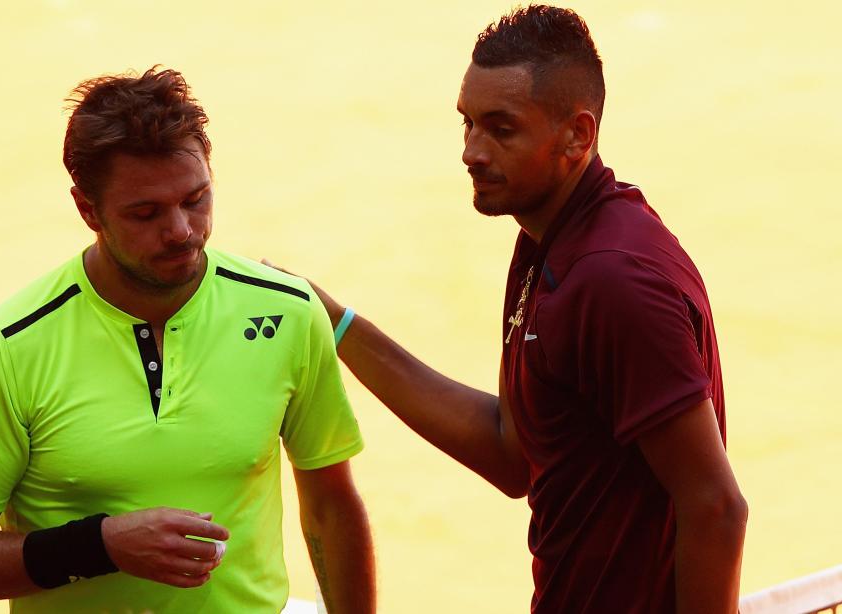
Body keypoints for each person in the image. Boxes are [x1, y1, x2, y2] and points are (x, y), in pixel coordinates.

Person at [287, 5, 747, 613]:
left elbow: (716, 507)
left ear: (578, 136)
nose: (471, 152)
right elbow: (514, 454)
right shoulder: (545, 243)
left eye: (501, 129)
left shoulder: (613, 280)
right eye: (468, 123)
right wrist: (336, 323)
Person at [0, 66, 375, 614]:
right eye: (145, 213)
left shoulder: (288, 313)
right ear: (87, 209)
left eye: (196, 198)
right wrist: (101, 546)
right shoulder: (8, 347)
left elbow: (329, 505)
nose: (181, 230)